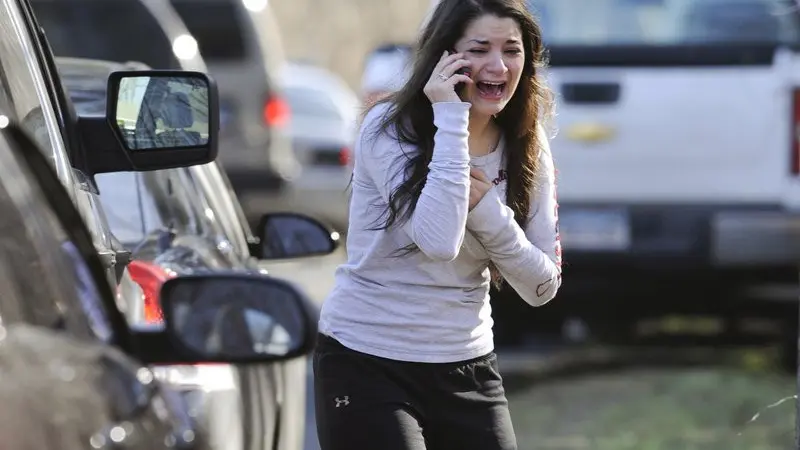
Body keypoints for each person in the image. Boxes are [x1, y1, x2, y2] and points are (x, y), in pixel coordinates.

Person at [313, 0, 562, 449]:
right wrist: (451, 117)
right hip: (367, 358)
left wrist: (489, 213)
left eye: (511, 50)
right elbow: (438, 241)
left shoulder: (528, 144)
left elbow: (542, 287)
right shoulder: (386, 130)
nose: (497, 65)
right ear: (444, 57)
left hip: (468, 363)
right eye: (480, 49)